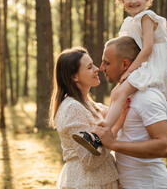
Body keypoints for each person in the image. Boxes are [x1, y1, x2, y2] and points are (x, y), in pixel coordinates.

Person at [73, 0, 167, 155]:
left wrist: (128, 71)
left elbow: (147, 49)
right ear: (122, 0)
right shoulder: (131, 21)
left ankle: (99, 135)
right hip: (144, 61)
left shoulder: (147, 16)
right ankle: (104, 134)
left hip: (149, 63)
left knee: (120, 91)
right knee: (116, 92)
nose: (134, 1)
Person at [96, 36, 167, 188]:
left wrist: (114, 144)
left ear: (125, 64)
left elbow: (165, 147)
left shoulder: (147, 97)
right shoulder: (124, 95)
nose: (101, 68)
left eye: (107, 62)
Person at [49, 47, 129, 189]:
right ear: (75, 77)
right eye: (90, 67)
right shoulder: (72, 108)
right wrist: (116, 127)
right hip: (87, 183)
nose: (97, 69)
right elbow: (90, 160)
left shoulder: (87, 104)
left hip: (98, 180)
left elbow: (113, 111)